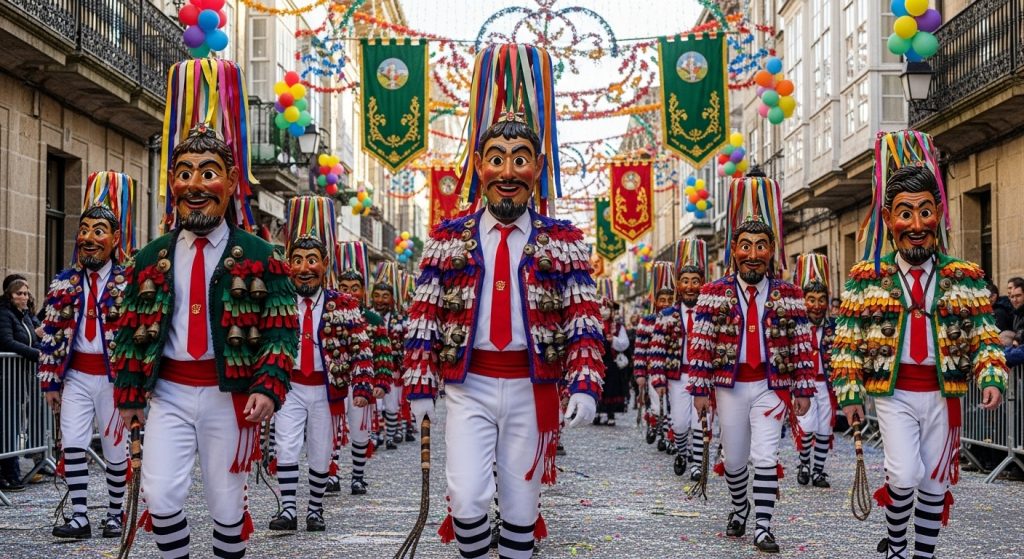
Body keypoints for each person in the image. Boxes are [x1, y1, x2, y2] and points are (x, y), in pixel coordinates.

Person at [403, 43, 603, 559]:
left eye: (520, 160)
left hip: (532, 387)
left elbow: (583, 319)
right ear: (478, 165)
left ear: (538, 166)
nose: (507, 172)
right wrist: (420, 385)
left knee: (519, 507)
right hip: (467, 385)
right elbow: (423, 318)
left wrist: (585, 383)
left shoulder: (563, 241)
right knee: (468, 498)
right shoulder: (448, 238)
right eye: (496, 159)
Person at [112, 123, 298, 558]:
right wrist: (129, 392)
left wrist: (268, 386)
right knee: (160, 496)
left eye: (208, 173)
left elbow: (281, 329)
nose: (194, 185)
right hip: (169, 394)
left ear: (232, 182)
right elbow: (130, 331)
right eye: (184, 173)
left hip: (229, 396)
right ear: (171, 182)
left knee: (227, 506)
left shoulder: (261, 256)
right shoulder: (149, 257)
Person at [831, 131, 1006, 559]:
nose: (915, 226)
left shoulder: (964, 276)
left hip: (944, 394)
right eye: (905, 214)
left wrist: (992, 376)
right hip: (893, 394)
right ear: (888, 217)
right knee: (904, 474)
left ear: (939, 215)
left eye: (925, 212)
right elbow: (847, 343)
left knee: (934, 482)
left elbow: (985, 336)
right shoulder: (866, 278)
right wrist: (850, 395)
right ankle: (896, 546)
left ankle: (922, 554)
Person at [688, 170, 815, 554]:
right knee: (735, 458)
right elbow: (701, 344)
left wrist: (804, 388)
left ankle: (763, 526)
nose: (754, 254)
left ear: (772, 250)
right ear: (734, 250)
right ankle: (739, 505)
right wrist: (699, 390)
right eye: (746, 246)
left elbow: (802, 343)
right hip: (729, 386)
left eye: (761, 246)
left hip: (771, 386)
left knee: (765, 455)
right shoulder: (714, 292)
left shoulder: (789, 293)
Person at [36, 173, 136, 538]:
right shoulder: (63, 283)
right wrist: (50, 382)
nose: (89, 239)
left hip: (114, 381)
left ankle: (115, 513)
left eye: (98, 231)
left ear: (115, 239)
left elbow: (140, 339)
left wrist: (137, 385)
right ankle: (79, 515)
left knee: (115, 449)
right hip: (76, 377)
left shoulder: (129, 283)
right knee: (74, 444)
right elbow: (50, 333)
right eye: (84, 230)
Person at [267, 196, 373, 533]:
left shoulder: (343, 304)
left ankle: (315, 509)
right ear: (288, 264)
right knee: (285, 446)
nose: (304, 268)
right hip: (289, 388)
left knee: (320, 449)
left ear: (325, 264)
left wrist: (363, 385)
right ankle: (288, 509)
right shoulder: (280, 301)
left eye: (311, 260)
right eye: (297, 260)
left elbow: (361, 346)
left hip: (328, 392)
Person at [332, 249, 395, 495]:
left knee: (360, 431)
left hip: (363, 383)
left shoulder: (373, 320)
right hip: (335, 382)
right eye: (344, 287)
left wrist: (381, 382)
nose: (349, 292)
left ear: (363, 290)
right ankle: (332, 474)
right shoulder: (329, 316)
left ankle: (357, 476)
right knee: (332, 431)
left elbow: (383, 354)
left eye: (354, 288)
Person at [648, 239, 708, 479]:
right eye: (685, 281)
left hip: (702, 376)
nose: (690, 286)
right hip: (677, 376)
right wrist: (658, 380)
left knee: (699, 421)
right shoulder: (667, 314)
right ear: (678, 285)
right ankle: (682, 451)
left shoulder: (709, 313)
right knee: (680, 423)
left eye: (695, 281)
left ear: (702, 284)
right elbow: (657, 349)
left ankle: (697, 464)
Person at [791, 254, 837, 489]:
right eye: (811, 300)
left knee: (824, 428)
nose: (817, 306)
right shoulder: (795, 328)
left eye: (821, 300)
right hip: (803, 385)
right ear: (803, 301)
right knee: (806, 426)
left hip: (826, 386)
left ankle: (818, 470)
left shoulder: (834, 327)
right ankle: (804, 465)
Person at [0, 274, 41, 492]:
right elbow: (7, 341)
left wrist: (42, 349)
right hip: (6, 377)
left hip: (18, 378)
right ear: (10, 295)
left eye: (26, 293)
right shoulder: (5, 314)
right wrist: (36, 354)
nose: (24, 297)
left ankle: (11, 473)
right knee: (7, 424)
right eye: (19, 293)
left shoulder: (23, 316)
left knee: (14, 425)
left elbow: (31, 340)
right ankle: (9, 473)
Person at [634, 262, 675, 444]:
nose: (665, 303)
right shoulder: (647, 321)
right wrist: (640, 374)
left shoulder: (678, 319)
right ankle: (654, 423)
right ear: (656, 302)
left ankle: (668, 438)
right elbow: (640, 351)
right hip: (654, 371)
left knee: (673, 407)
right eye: (662, 300)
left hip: (674, 370)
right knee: (658, 404)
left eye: (669, 300)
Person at [370, 262, 409, 448]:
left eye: (385, 296)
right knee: (375, 405)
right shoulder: (366, 317)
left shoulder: (400, 319)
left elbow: (406, 343)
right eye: (377, 295)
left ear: (392, 298)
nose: (380, 300)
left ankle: (391, 436)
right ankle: (375, 434)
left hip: (393, 369)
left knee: (392, 405)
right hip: (372, 369)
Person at [597, 299, 629, 426]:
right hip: (597, 362)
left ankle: (610, 414)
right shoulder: (594, 324)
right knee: (598, 388)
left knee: (611, 389)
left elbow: (625, 343)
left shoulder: (618, 326)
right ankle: (598, 413)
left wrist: (613, 340)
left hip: (611, 363)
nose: (604, 311)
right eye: (601, 308)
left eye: (607, 308)